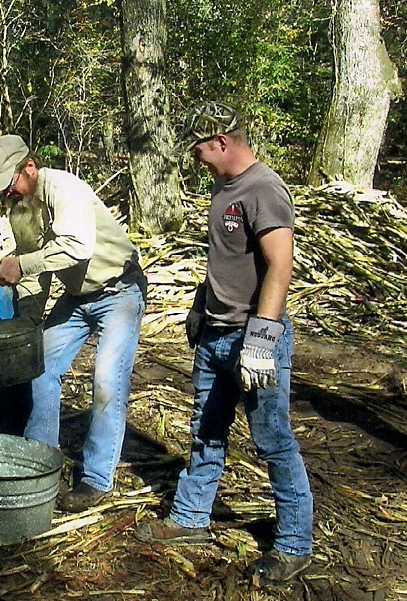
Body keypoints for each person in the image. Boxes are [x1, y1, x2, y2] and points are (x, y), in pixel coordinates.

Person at [134, 102, 313, 590]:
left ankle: (294, 544)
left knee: (273, 440)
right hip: (217, 334)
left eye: (198, 148)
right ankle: (190, 517)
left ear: (221, 141)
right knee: (206, 429)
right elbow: (228, 260)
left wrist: (262, 338)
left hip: (252, 337)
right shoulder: (224, 188)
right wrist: (201, 305)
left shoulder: (263, 189)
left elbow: (280, 265)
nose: (194, 157)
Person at [0, 134, 147, 513]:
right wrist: (28, 323)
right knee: (40, 365)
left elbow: (76, 247)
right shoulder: (22, 209)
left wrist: (22, 264)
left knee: (106, 382)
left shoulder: (65, 189)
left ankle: (96, 479)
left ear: (30, 167)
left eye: (10, 184)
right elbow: (35, 272)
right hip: (77, 296)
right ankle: (39, 462)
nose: (7, 194)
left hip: (119, 291)